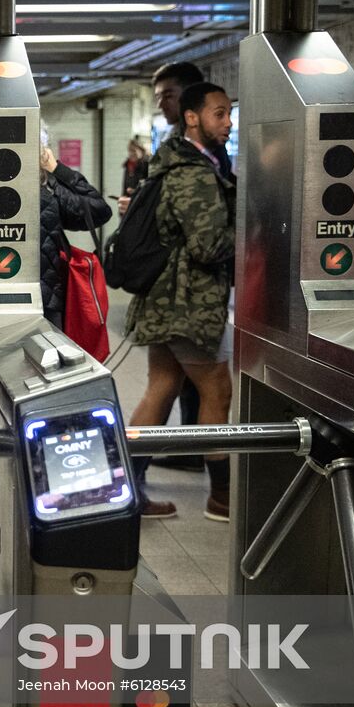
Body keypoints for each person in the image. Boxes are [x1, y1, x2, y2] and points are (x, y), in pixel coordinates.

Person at [124, 82, 237, 523]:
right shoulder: (193, 173)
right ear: (193, 118)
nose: (227, 123)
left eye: (229, 115)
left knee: (162, 387)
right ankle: (222, 498)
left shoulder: (182, 164)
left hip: (167, 299)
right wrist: (254, 232)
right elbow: (209, 246)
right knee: (217, 390)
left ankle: (130, 488)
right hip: (187, 303)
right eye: (219, 114)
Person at [39, 129, 112, 332]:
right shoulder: (49, 191)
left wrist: (56, 170)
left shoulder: (49, 191)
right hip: (47, 299)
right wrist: (55, 168)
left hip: (48, 300)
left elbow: (98, 210)